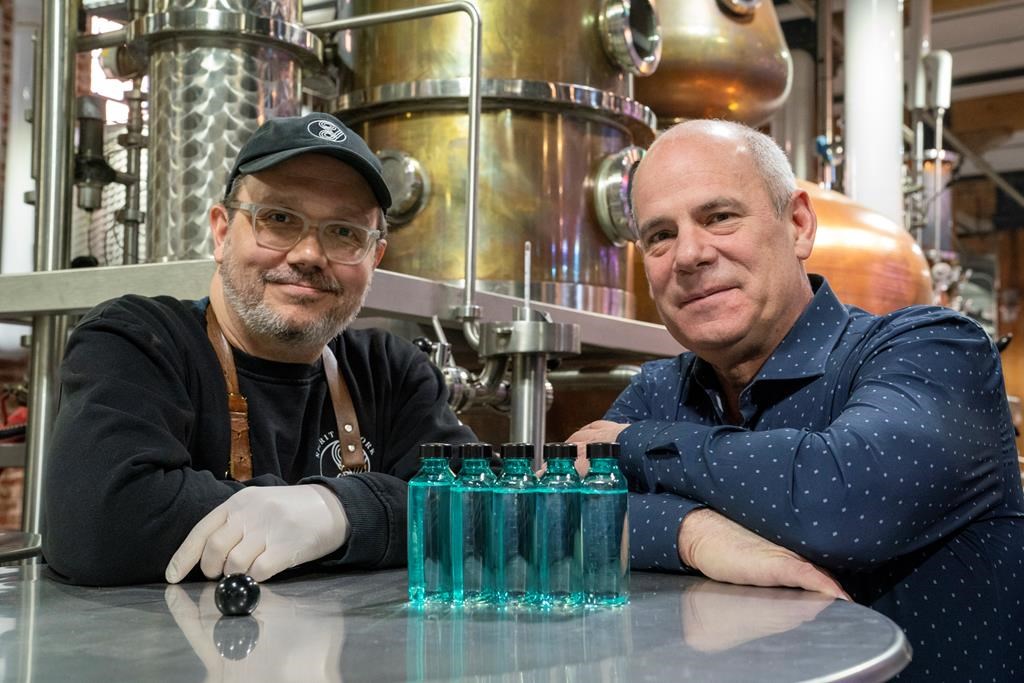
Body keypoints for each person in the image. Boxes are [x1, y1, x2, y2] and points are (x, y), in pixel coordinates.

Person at [568, 119, 1024, 680]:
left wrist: (636, 447)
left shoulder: (932, 348)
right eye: (660, 235)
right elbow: (544, 521)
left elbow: (841, 500)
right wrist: (694, 534)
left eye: (719, 217)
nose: (688, 254)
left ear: (799, 225)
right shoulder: (659, 390)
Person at [43, 113, 476, 586]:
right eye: (279, 219)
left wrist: (337, 513)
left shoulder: (391, 371)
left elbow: (480, 508)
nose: (309, 254)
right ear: (223, 231)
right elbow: (100, 524)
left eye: (345, 232)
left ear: (374, 259)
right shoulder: (138, 342)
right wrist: (397, 512)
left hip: (354, 654)